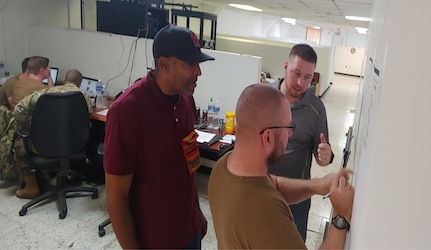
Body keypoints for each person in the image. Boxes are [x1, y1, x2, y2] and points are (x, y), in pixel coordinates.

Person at [104, 24, 215, 249]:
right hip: (154, 240)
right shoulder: (127, 111)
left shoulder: (186, 101)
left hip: (189, 231)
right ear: (164, 64)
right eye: (191, 64)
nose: (198, 72)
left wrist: (197, 212)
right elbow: (116, 200)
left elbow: (189, 165)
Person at [208, 84, 354, 249]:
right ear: (268, 137)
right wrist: (341, 216)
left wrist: (316, 185)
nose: (290, 134)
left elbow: (273, 184)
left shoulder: (223, 166)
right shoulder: (268, 214)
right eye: (289, 127)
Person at [267, 43, 334, 241]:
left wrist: (325, 156)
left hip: (296, 200)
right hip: (262, 190)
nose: (300, 82)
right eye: (296, 73)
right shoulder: (264, 97)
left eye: (307, 78)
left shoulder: (316, 109)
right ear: (285, 66)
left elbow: (322, 154)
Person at [13, 69, 92, 199]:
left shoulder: (43, 94)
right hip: (74, 145)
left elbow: (18, 111)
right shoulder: (83, 96)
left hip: (43, 146)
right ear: (80, 84)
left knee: (19, 140)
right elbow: (86, 115)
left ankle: (31, 187)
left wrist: (29, 126)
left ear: (64, 81)